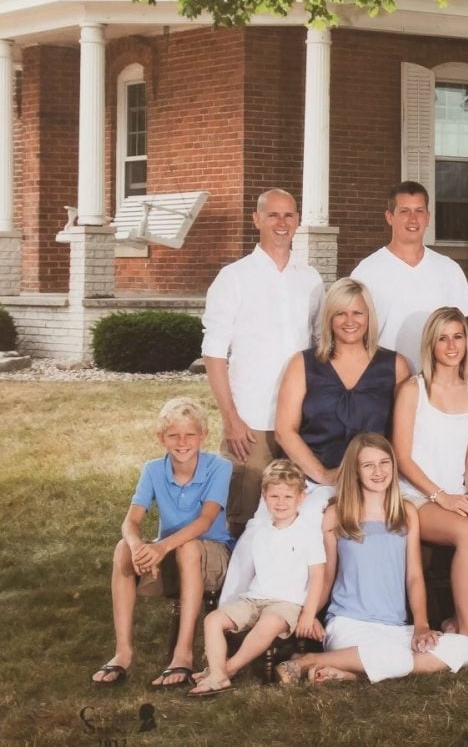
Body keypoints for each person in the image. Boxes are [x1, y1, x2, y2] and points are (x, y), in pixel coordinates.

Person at [275, 433, 468, 684]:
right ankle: (306, 660)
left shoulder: (406, 513)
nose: (378, 471)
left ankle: (348, 672)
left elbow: (414, 577)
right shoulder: (337, 514)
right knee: (398, 658)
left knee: (464, 647)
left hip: (395, 628)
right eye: (368, 465)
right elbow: (326, 576)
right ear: (356, 471)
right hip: (349, 625)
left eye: (384, 463)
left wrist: (421, 626)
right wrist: (310, 612)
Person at [394, 307, 468, 663]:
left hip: (458, 495)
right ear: (430, 345)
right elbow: (402, 457)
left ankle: (456, 620)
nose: (451, 346)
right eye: (443, 338)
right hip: (417, 496)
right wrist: (441, 497)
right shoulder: (413, 390)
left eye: (458, 337)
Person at [201, 188, 323, 533]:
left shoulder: (310, 279)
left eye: (289, 215)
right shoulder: (234, 277)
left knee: (297, 512)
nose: (282, 223)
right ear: (256, 219)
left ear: (298, 220)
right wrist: (231, 418)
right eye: (273, 215)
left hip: (299, 420)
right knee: (243, 513)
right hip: (251, 419)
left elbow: (319, 345)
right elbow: (214, 352)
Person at [91, 398, 234, 688]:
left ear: (203, 436)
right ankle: (123, 653)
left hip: (213, 557)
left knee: (188, 547)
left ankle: (183, 655)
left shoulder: (219, 467)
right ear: (161, 438)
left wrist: (161, 547)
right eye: (173, 435)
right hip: (169, 553)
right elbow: (130, 522)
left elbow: (205, 521)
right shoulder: (153, 469)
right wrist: (137, 548)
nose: (182, 442)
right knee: (122, 548)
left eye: (190, 434)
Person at [272, 278, 408, 518]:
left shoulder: (395, 366)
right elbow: (285, 431)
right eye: (340, 314)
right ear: (329, 318)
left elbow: (405, 436)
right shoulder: (302, 364)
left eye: (358, 313)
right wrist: (323, 475)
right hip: (312, 481)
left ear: (369, 316)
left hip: (374, 483)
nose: (350, 321)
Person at [191, 460, 326, 696]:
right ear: (264, 496)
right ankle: (217, 672)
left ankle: (226, 671)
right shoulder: (260, 531)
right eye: (274, 496)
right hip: (254, 598)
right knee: (213, 620)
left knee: (269, 622)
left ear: (301, 498)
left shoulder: (309, 533)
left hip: (287, 604)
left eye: (288, 496)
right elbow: (249, 570)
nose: (281, 502)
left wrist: (309, 614)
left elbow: (317, 576)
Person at [351, 181, 468, 375]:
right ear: (390, 217)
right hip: (383, 379)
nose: (413, 219)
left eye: (419, 211)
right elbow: (353, 335)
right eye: (404, 211)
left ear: (428, 217)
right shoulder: (366, 272)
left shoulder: (449, 270)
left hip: (437, 381)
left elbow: (464, 331)